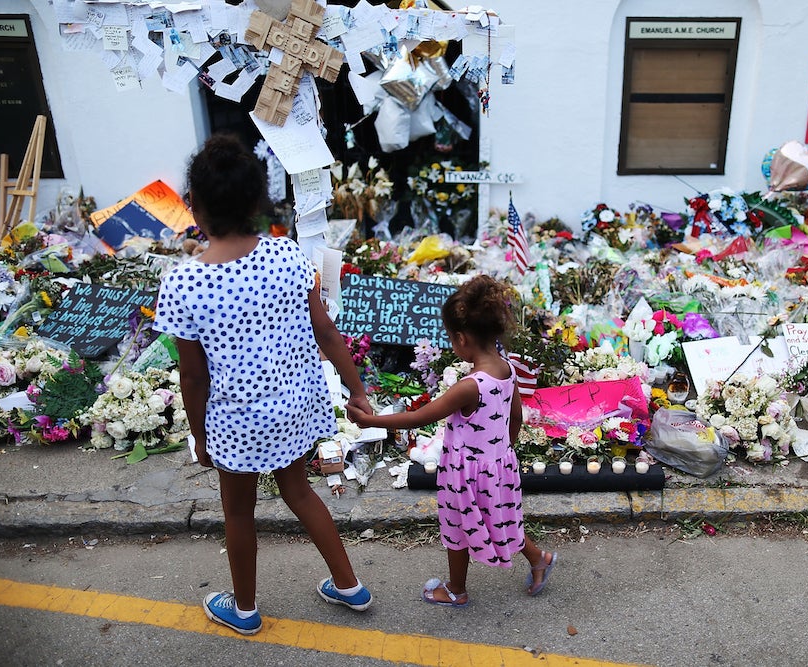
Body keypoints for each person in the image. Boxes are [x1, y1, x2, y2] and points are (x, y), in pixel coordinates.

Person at [153, 134, 374, 636]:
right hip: (296, 405)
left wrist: (200, 435)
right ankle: (348, 585)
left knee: (238, 512)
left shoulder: (184, 282)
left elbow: (193, 376)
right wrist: (356, 389)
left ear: (193, 206)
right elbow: (326, 333)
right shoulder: (290, 257)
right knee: (299, 491)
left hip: (235, 417)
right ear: (258, 203)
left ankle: (246, 609)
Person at [347, 274, 556, 607]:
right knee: (500, 518)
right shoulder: (507, 369)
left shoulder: (470, 385)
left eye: (451, 338)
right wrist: (504, 452)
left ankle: (456, 589)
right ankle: (538, 558)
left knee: (458, 529)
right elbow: (515, 416)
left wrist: (369, 420)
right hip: (499, 465)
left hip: (466, 473)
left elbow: (419, 417)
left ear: (461, 338)